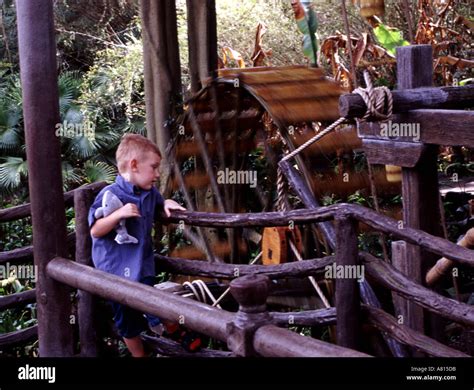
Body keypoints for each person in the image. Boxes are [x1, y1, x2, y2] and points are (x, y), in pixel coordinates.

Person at [88, 133, 185, 357]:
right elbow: (95, 230)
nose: (158, 174)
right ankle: (139, 355)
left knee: (153, 303)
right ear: (134, 165)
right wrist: (118, 214)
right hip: (116, 274)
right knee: (127, 319)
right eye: (154, 167)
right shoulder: (109, 194)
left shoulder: (150, 193)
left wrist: (167, 202)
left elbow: (160, 201)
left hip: (143, 266)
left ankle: (171, 332)